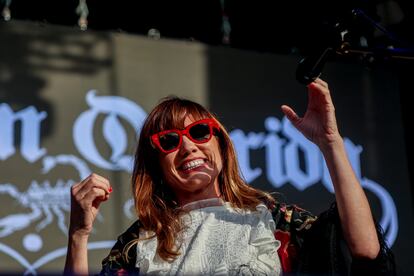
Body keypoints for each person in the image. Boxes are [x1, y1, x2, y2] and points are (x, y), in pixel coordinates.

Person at [64, 78, 395, 275]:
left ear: (221, 143)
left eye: (199, 132)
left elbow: (364, 251)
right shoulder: (141, 241)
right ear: (156, 165)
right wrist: (79, 235)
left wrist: (331, 143)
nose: (188, 147)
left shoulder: (274, 218)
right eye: (169, 141)